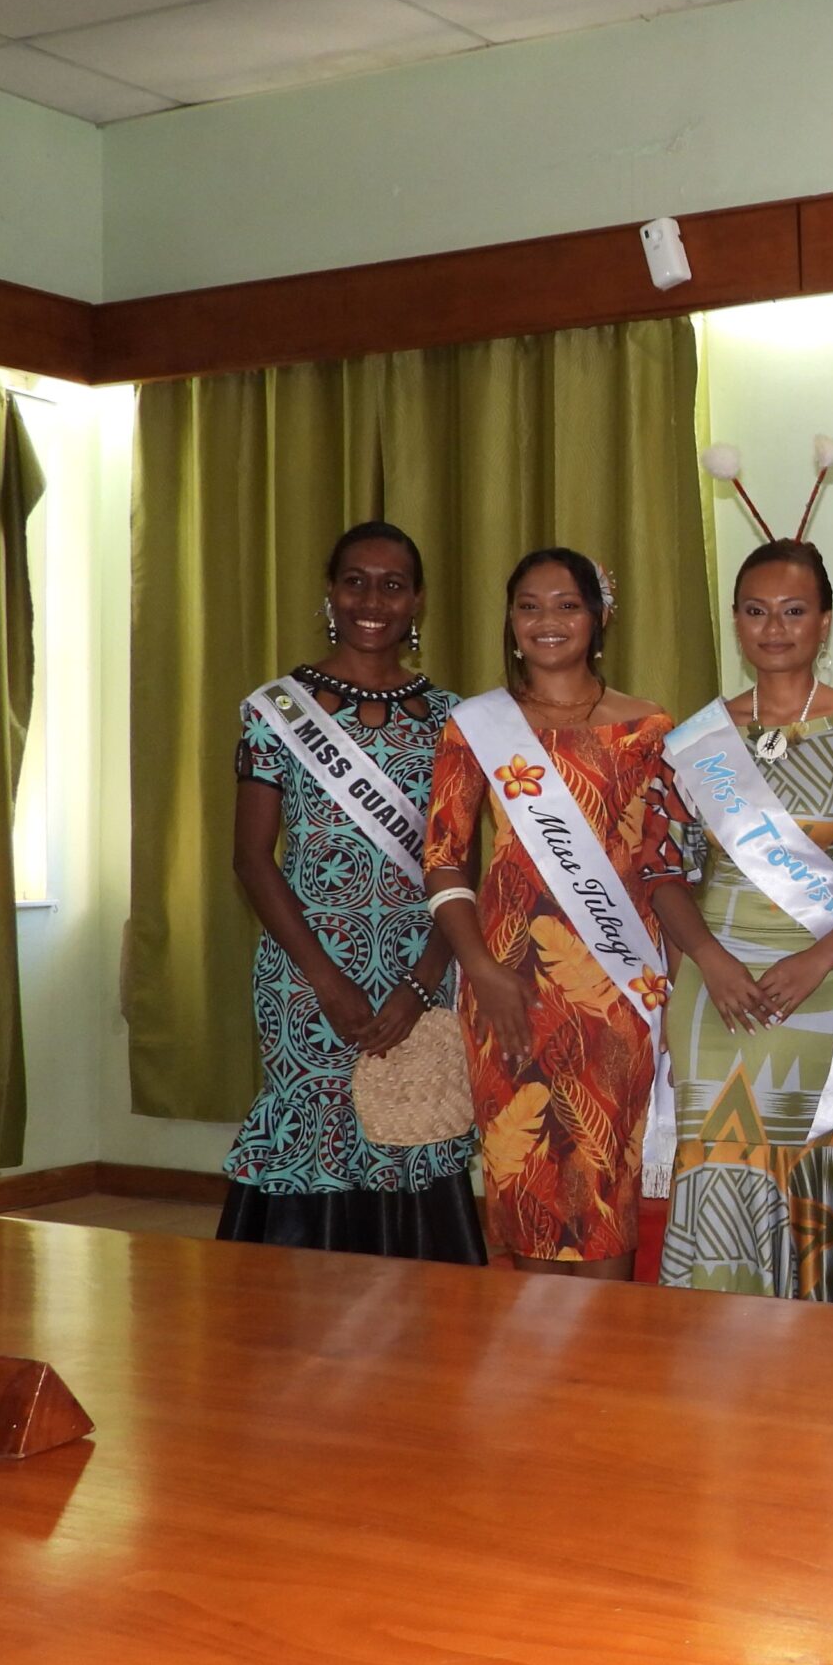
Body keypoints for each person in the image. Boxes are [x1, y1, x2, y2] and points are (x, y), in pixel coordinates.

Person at [223, 521, 484, 1262]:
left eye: (393, 584)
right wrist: (326, 980)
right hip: (307, 971)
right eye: (355, 581)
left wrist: (421, 983)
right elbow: (251, 859)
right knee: (317, 1123)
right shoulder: (273, 708)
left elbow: (462, 864)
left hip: (420, 962)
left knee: (415, 1119)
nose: (373, 599)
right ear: (329, 595)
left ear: (418, 602)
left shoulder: (454, 719)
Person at [423, 547, 682, 1278]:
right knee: (527, 1184)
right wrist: (481, 969)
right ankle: (535, 1377)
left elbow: (666, 864)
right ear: (509, 622)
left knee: (605, 1187)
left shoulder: (648, 728)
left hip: (618, 990)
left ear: (598, 619)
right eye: (529, 606)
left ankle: (606, 1372)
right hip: (508, 988)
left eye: (566, 604)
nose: (547, 621)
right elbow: (444, 857)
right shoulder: (474, 726)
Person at [650, 539, 833, 1301]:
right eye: (756, 612)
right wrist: (710, 962)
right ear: (735, 622)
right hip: (713, 988)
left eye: (794, 612)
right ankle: (718, 1385)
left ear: (824, 622)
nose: (775, 628)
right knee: (720, 1167)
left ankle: (820, 1384)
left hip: (827, 981)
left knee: (819, 1169)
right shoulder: (693, 743)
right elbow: (661, 869)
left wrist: (818, 960)